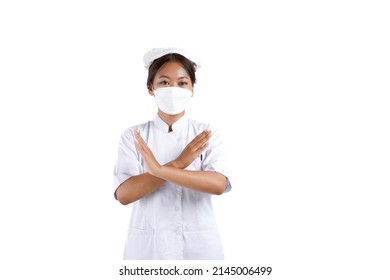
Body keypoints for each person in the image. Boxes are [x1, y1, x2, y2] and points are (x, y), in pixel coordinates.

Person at [113, 47, 232, 260]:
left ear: (192, 88)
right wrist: (178, 164)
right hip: (149, 249)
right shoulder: (134, 135)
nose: (173, 89)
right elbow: (124, 194)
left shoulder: (206, 133)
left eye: (182, 83)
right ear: (151, 88)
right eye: (165, 82)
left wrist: (158, 170)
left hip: (199, 249)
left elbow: (218, 184)